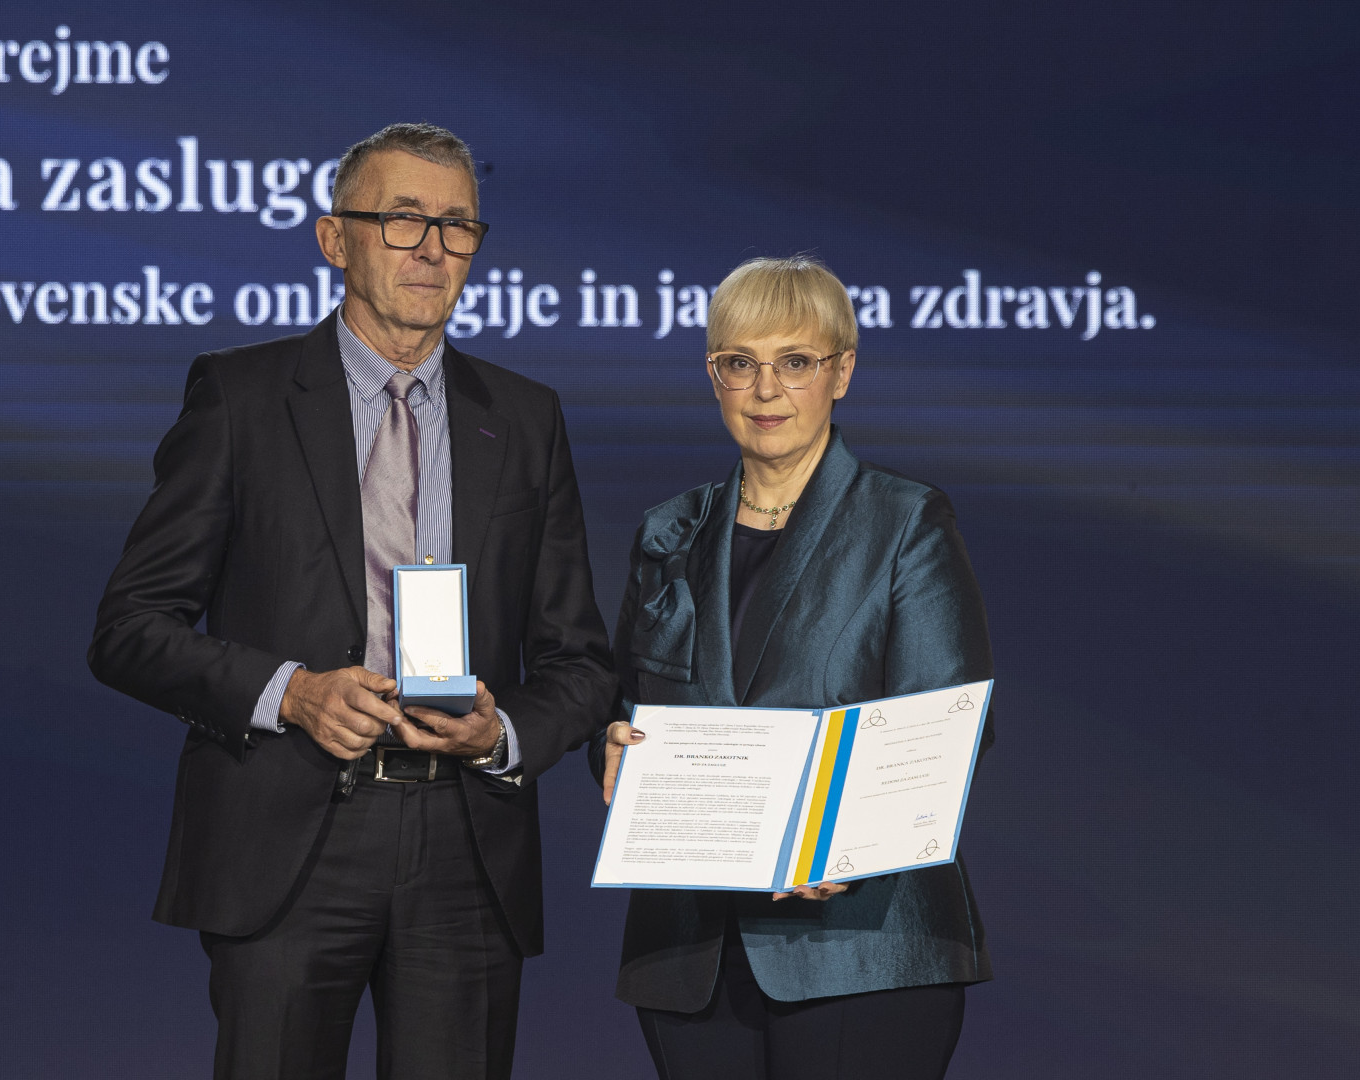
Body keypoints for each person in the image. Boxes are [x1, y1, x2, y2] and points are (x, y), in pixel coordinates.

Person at [89, 123, 614, 1080]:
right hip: (288, 837)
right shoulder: (242, 398)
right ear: (336, 240)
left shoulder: (525, 418)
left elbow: (578, 661)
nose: (433, 250)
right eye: (403, 220)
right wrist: (292, 693)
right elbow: (131, 629)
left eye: (457, 226)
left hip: (465, 846)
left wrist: (499, 734)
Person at [593, 256, 995, 1080]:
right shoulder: (669, 531)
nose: (766, 389)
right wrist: (613, 740)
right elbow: (629, 702)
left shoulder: (905, 521)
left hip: (861, 946)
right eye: (739, 363)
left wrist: (842, 843)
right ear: (714, 376)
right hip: (692, 952)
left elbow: (946, 719)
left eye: (796, 362)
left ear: (841, 372)